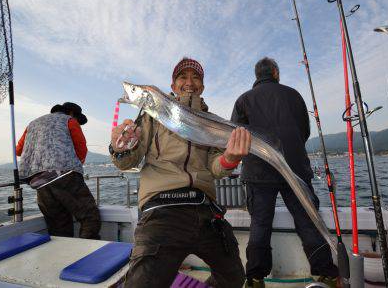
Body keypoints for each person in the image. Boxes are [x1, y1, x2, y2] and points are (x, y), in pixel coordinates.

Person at [110, 57, 249, 287]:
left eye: (196, 77)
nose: (189, 82)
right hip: (162, 209)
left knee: (234, 278)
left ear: (202, 86)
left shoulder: (213, 123)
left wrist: (230, 159)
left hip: (206, 211)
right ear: (173, 85)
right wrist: (121, 147)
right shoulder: (151, 114)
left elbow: (215, 167)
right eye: (182, 77)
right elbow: (126, 162)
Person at [231, 57, 339, 288]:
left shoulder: (243, 100)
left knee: (260, 223)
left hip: (258, 171)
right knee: (308, 221)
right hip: (295, 168)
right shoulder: (294, 95)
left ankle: (255, 278)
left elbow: (236, 136)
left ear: (256, 75)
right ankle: (326, 274)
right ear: (275, 73)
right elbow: (304, 131)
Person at [16, 102, 100, 239]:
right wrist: (75, 164)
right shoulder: (70, 120)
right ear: (72, 113)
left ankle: (64, 258)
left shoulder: (32, 124)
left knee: (58, 226)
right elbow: (81, 148)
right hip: (65, 175)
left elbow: (19, 151)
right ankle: (88, 253)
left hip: (39, 181)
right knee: (90, 216)